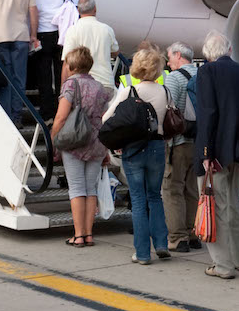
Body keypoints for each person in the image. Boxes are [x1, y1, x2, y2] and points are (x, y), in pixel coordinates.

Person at [194, 31, 239, 281]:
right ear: (230, 50)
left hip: (217, 152)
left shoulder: (207, 73)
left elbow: (208, 114)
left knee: (218, 206)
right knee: (234, 203)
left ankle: (223, 265)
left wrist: (206, 152)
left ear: (207, 54)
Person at [108, 48, 171, 264]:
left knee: (137, 198)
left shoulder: (129, 92)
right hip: (157, 147)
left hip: (133, 149)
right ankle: (162, 243)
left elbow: (108, 118)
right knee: (155, 195)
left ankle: (143, 253)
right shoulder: (164, 91)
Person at [52, 48, 112, 247]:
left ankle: (78, 235)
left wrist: (54, 138)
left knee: (76, 188)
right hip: (96, 142)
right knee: (90, 188)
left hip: (74, 141)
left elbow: (61, 116)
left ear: (72, 66)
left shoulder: (70, 84)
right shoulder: (99, 87)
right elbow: (104, 116)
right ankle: (88, 234)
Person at [162, 42, 202, 252]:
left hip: (178, 142)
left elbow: (169, 110)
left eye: (169, 57)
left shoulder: (174, 78)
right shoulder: (202, 75)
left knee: (172, 188)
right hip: (198, 141)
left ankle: (178, 238)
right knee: (191, 189)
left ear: (178, 55)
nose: (168, 62)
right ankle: (193, 232)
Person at [31, 0, 74, 117]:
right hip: (60, 34)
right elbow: (75, 3)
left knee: (43, 73)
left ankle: (45, 109)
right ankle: (60, 106)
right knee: (60, 72)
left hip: (41, 33)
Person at [62, 0, 119, 89]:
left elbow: (67, 63)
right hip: (105, 83)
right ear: (95, 9)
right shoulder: (107, 29)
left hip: (82, 86)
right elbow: (115, 52)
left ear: (78, 10)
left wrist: (63, 90)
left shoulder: (72, 30)